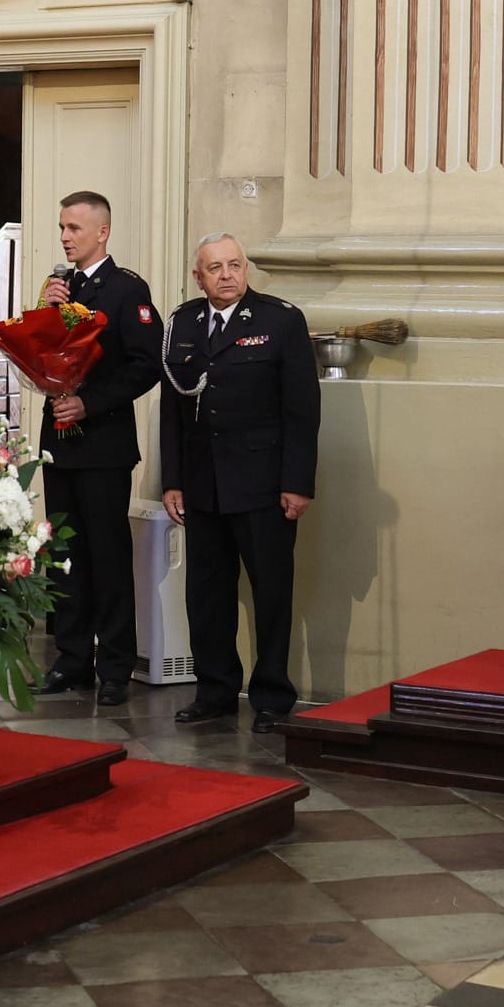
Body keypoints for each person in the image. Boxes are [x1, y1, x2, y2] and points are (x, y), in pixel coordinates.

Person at [159, 233, 320, 734]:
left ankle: (272, 694)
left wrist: (298, 483)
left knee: (271, 592)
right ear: (198, 277)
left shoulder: (280, 320)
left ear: (245, 269)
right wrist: (173, 480)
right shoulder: (182, 323)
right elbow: (172, 412)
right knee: (207, 594)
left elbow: (302, 411)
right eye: (215, 268)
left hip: (263, 484)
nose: (227, 275)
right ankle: (215, 691)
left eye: (235, 265)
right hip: (203, 484)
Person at [34, 191, 163, 707]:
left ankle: (113, 666)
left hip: (104, 444)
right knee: (64, 556)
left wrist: (89, 403)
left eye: (74, 228)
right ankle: (71, 660)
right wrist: (43, 315)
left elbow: (145, 365)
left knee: (107, 557)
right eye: (62, 228)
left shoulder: (127, 289)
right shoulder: (59, 289)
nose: (65, 237)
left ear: (102, 232)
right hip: (59, 443)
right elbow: (40, 355)